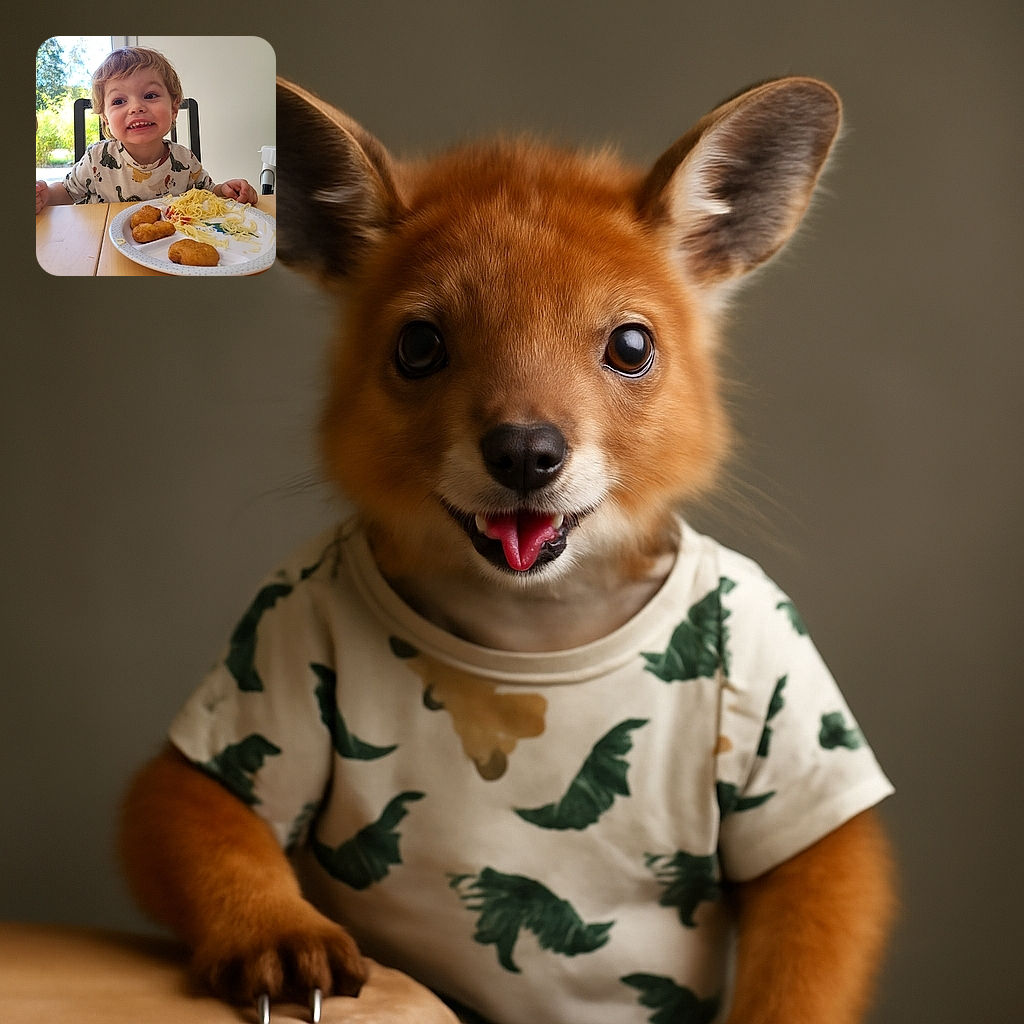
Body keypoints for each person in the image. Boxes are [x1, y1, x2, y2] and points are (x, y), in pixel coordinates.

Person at [36, 46, 258, 212]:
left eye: (150, 96)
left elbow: (208, 193)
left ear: (173, 108)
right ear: (105, 119)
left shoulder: (184, 159)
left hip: (166, 247)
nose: (136, 107)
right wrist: (44, 195)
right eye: (119, 101)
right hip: (104, 247)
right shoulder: (97, 159)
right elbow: (66, 192)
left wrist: (227, 191)